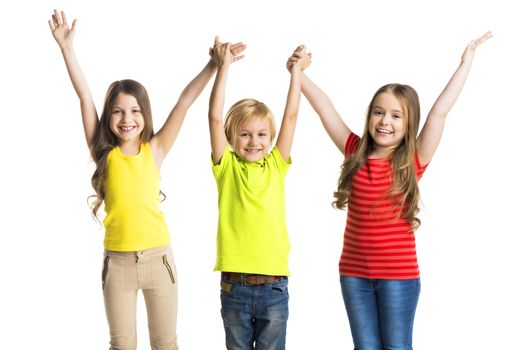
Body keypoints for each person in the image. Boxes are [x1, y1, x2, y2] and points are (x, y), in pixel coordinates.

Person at [49, 9, 245, 350]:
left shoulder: (154, 149)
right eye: (118, 111)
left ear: (145, 115)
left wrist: (213, 66)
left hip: (159, 261)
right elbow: (84, 97)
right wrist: (67, 49)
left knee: (165, 342)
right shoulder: (103, 153)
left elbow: (184, 103)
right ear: (109, 116)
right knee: (121, 344)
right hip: (118, 264)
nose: (127, 119)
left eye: (135, 110)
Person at [288, 32, 492, 349]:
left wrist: (464, 63)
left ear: (409, 125)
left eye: (396, 116)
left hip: (399, 277)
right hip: (354, 275)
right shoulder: (354, 150)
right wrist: (299, 74)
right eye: (379, 112)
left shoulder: (412, 159)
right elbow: (324, 108)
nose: (385, 121)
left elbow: (439, 112)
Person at [208, 38, 311, 350]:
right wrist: (222, 68)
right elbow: (214, 117)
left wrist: (297, 74)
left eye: (262, 134)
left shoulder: (276, 165)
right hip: (234, 286)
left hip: (274, 287)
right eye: (245, 134)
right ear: (230, 137)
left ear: (271, 137)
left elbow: (291, 116)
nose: (254, 142)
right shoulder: (226, 167)